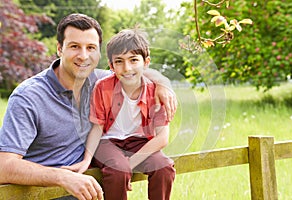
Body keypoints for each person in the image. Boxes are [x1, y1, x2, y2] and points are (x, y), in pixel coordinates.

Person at [0, 14, 177, 200]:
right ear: (60, 49)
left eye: (91, 48)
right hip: (43, 195)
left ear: (99, 53)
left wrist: (162, 84)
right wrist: (62, 177)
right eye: (74, 46)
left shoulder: (102, 82)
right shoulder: (29, 97)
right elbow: (3, 166)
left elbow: (133, 68)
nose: (83, 56)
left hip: (89, 192)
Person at [64, 28, 176, 200]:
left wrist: (130, 165)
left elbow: (162, 138)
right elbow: (97, 128)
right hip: (108, 142)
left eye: (133, 60)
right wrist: (87, 160)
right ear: (111, 65)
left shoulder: (157, 92)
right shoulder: (103, 87)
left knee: (164, 167)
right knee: (117, 170)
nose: (127, 68)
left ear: (146, 63)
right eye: (119, 61)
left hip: (139, 142)